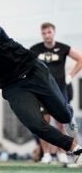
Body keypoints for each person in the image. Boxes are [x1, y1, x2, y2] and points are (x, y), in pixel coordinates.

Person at [0, 7, 82, 167]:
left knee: (64, 116)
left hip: (33, 71)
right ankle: (76, 150)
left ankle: (68, 113)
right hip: (12, 85)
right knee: (35, 124)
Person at [30, 22, 82, 164]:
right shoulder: (35, 49)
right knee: (43, 124)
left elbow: (80, 59)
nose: (47, 35)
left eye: (49, 32)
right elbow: (25, 64)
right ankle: (46, 154)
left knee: (61, 124)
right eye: (44, 33)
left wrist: (70, 75)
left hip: (59, 91)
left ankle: (62, 153)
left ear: (54, 32)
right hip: (42, 91)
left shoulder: (63, 48)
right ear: (42, 34)